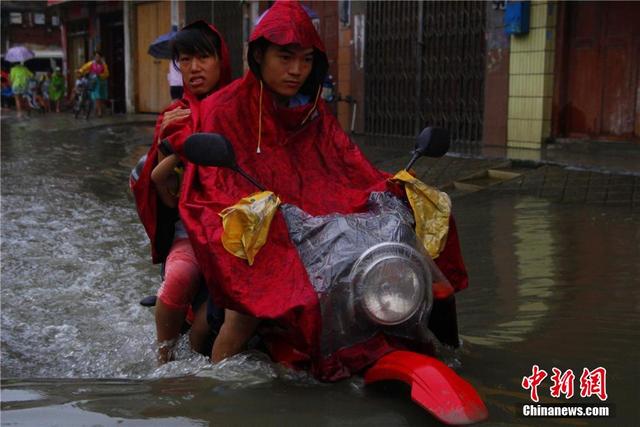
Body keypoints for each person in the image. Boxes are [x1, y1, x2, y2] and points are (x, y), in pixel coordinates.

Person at [177, 0, 468, 375]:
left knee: (416, 243)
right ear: (259, 55)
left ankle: (445, 349)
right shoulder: (224, 109)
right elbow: (217, 186)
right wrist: (266, 215)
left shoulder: (312, 110)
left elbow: (348, 165)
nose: (297, 70)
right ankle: (217, 388)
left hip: (316, 227)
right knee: (242, 318)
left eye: (307, 59)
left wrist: (391, 189)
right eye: (285, 57)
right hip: (255, 229)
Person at [131, 21, 231, 364]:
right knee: (177, 280)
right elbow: (169, 199)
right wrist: (172, 147)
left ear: (222, 60)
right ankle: (164, 358)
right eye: (184, 60)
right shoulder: (173, 117)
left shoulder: (243, 110)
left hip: (239, 234)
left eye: (203, 57)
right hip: (189, 234)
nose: (193, 68)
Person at [78, 51, 109, 117]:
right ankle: (99, 111)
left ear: (101, 57)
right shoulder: (92, 63)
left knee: (101, 97)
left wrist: (100, 75)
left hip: (102, 82)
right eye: (96, 56)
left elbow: (107, 74)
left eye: (98, 56)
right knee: (97, 96)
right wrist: (80, 71)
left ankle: (99, 109)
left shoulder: (104, 65)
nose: (97, 58)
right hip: (94, 82)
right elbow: (84, 68)